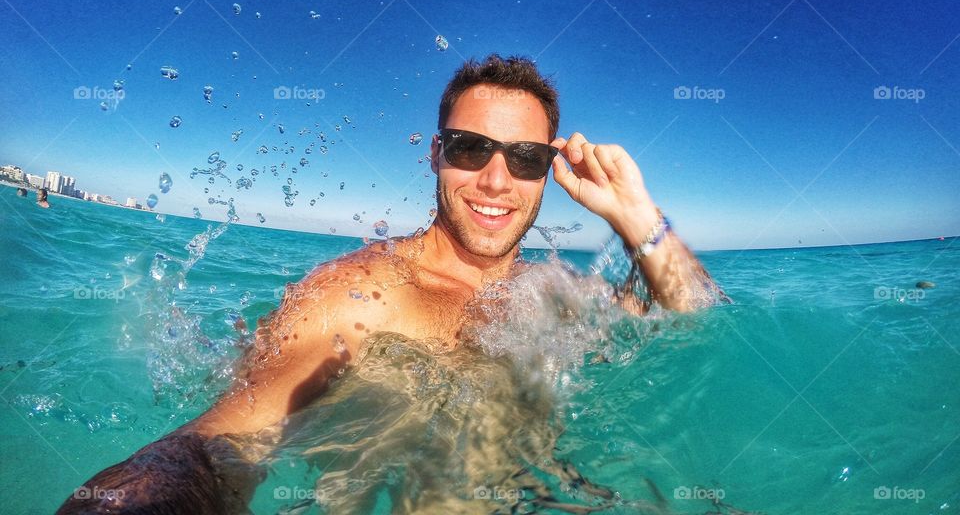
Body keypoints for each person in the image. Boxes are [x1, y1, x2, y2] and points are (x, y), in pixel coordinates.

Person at [57, 54, 726, 513]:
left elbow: (698, 318)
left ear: (548, 170)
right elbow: (215, 446)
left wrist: (637, 216)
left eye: (525, 158)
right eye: (470, 149)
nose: (497, 181)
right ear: (435, 154)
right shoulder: (361, 296)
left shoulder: (551, 290)